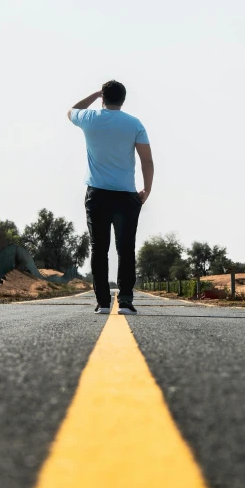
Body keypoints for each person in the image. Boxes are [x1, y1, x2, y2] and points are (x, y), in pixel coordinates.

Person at [67, 80, 154, 315]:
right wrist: (147, 189)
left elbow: (71, 110)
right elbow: (146, 160)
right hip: (126, 194)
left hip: (97, 193)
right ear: (123, 99)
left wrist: (95, 95)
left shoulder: (90, 119)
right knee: (126, 249)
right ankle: (125, 301)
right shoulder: (134, 123)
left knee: (99, 248)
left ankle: (103, 302)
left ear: (103, 98)